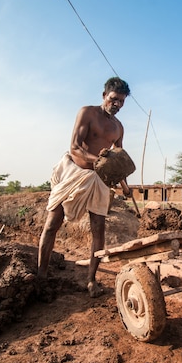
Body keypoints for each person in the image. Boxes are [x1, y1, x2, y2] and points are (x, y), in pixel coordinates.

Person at [38, 77, 132, 297]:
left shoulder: (119, 128)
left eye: (121, 101)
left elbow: (118, 160)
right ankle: (40, 278)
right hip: (73, 173)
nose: (117, 104)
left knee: (98, 229)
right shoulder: (87, 113)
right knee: (52, 223)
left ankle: (91, 281)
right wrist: (98, 160)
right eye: (113, 99)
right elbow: (75, 148)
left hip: (98, 179)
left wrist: (125, 186)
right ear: (104, 96)